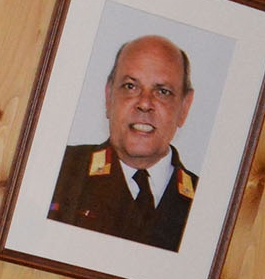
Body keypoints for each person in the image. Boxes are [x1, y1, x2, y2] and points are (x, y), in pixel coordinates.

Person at [48, 36, 198, 251]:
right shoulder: (58, 169)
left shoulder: (205, 204)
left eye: (162, 92)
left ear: (184, 107)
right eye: (130, 86)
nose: (145, 103)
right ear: (109, 97)